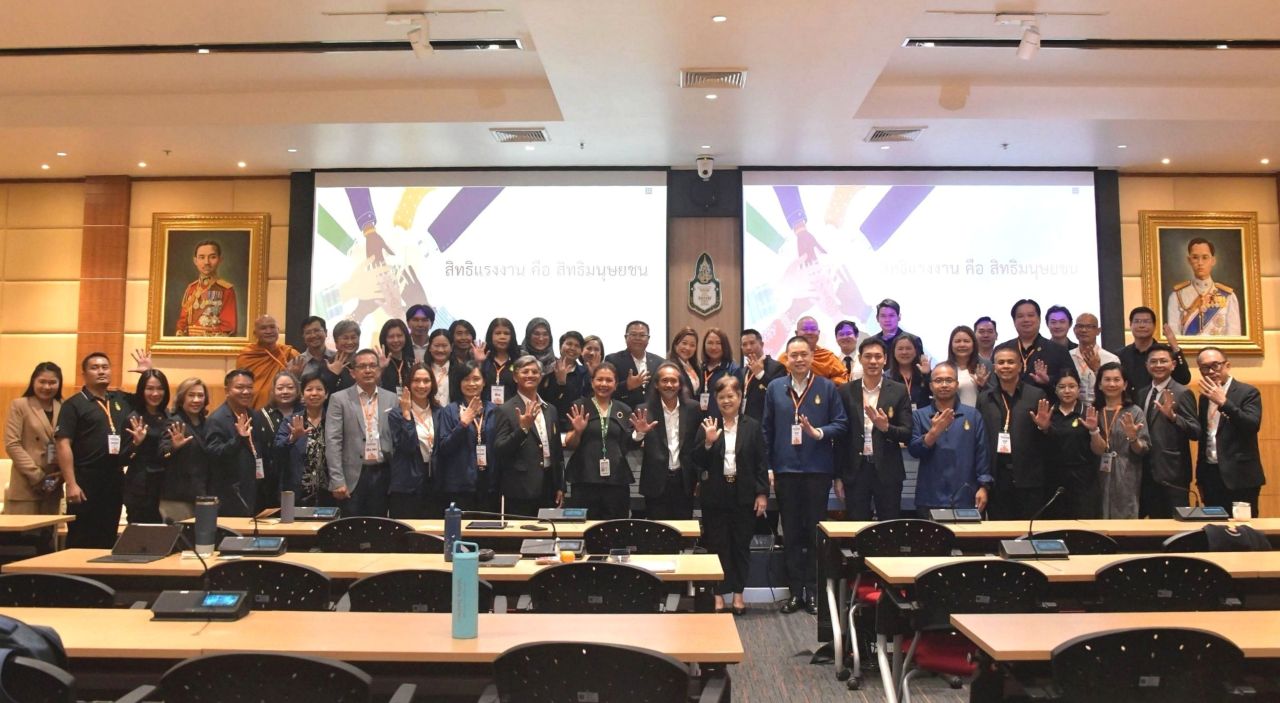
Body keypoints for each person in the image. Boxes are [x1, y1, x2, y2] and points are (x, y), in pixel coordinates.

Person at [763, 336, 847, 615]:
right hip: (785, 471)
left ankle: (813, 591)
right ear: (786, 358)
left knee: (814, 534)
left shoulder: (827, 387)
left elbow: (841, 424)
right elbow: (766, 430)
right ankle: (794, 592)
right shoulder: (775, 388)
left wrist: (818, 432)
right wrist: (769, 466)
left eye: (804, 354)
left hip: (817, 471)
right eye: (794, 355)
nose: (799, 359)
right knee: (791, 534)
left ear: (812, 357)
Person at [692, 376, 769, 615]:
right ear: (716, 399)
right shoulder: (708, 424)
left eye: (731, 396)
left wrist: (762, 494)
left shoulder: (752, 426)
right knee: (717, 545)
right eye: (722, 397)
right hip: (715, 494)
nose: (726, 401)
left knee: (740, 546)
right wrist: (708, 443)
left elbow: (761, 463)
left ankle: (738, 594)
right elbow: (697, 461)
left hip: (744, 494)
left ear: (740, 398)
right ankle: (718, 595)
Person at [55, 353, 133, 547]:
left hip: (114, 478)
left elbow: (151, 397)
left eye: (105, 367)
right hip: (85, 480)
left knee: (108, 536)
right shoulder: (74, 404)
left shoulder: (120, 399)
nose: (101, 371)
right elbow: (63, 444)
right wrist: (71, 483)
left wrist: (146, 371)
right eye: (95, 368)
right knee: (81, 537)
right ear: (84, 374)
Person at [836, 338, 911, 521]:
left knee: (889, 525)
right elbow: (840, 438)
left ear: (885, 359)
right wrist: (837, 477)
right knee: (856, 526)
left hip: (887, 470)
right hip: (855, 470)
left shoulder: (899, 391)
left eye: (878, 357)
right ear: (860, 359)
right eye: (868, 356)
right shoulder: (845, 391)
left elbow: (907, 433)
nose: (873, 361)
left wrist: (886, 428)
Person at [909, 361, 991, 516]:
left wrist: (984, 486)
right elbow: (914, 451)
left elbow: (982, 453)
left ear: (957, 384)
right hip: (930, 496)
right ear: (931, 386)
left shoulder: (972, 415)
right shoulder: (919, 415)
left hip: (966, 495)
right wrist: (933, 433)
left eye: (949, 380)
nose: (944, 385)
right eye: (938, 381)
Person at [977, 347, 1051, 520]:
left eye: (1011, 362)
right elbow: (980, 439)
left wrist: (1044, 427)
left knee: (1028, 529)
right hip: (996, 477)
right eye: (1001, 362)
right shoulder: (985, 398)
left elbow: (1049, 440)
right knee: (1000, 529)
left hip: (1028, 477)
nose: (1006, 366)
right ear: (995, 367)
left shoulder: (1036, 395)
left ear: (1020, 366)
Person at [325, 349, 398, 517]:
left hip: (383, 473)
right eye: (362, 366)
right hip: (352, 475)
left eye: (372, 366)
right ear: (352, 372)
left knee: (379, 524)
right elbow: (333, 441)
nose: (368, 370)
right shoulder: (339, 399)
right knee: (352, 526)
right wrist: (337, 480)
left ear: (379, 370)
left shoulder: (392, 398)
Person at [1194, 347, 1264, 517]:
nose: (1211, 371)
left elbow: (1251, 425)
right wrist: (1200, 477)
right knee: (1214, 526)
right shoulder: (1204, 397)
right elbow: (1205, 438)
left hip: (1240, 476)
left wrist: (1224, 403)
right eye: (1205, 368)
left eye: (1215, 365)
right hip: (1211, 475)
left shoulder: (1248, 392)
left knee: (1243, 527)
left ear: (1227, 365)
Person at [494, 356, 565, 517]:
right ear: (515, 377)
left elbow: (557, 453)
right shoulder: (505, 410)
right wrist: (523, 429)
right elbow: (500, 449)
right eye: (525, 371)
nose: (530, 375)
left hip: (549, 486)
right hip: (520, 489)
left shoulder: (550, 409)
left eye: (535, 372)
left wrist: (560, 486)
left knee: (548, 530)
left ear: (541, 376)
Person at [565, 363, 637, 519]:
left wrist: (641, 433)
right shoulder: (579, 406)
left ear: (616, 385)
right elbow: (570, 444)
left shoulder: (624, 410)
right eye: (599, 379)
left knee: (616, 525)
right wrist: (578, 431)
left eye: (609, 380)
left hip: (616, 480)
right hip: (584, 478)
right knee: (583, 526)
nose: (604, 384)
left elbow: (627, 445)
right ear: (592, 382)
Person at [1136, 344, 1200, 518]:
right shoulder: (1142, 393)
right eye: (1153, 361)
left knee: (1176, 524)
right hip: (1145, 472)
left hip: (1173, 474)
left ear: (1173, 365)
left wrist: (1174, 417)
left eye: (1163, 361)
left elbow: (1195, 431)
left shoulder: (1182, 392)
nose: (1158, 365)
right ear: (1147, 365)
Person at [631, 363, 700, 520]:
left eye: (674, 381)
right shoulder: (644, 410)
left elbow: (698, 445)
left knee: (683, 530)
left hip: (685, 481)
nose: (669, 385)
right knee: (657, 530)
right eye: (664, 380)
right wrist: (640, 433)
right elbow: (630, 444)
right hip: (655, 482)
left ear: (680, 384)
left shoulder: (693, 409)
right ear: (656, 384)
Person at [434, 360, 499, 511]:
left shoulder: (494, 410)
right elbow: (444, 448)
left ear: (484, 382)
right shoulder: (449, 411)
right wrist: (462, 424)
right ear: (459, 383)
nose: (471, 384)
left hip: (489, 485)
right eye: (466, 379)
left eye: (476, 379)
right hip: (459, 484)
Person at [1090, 362, 1150, 519]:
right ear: (1099, 385)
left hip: (1127, 473)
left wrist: (1133, 437)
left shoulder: (1134, 412)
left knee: (1125, 517)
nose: (1112, 384)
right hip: (1098, 474)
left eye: (1117, 379)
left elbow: (1143, 450)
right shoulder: (1094, 412)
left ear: (1125, 385)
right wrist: (1094, 430)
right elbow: (1097, 450)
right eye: (1107, 379)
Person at [4, 362, 64, 516]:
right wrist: (37, 476)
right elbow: (12, 444)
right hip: (26, 484)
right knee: (24, 531)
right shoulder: (20, 405)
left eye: (52, 382)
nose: (47, 387)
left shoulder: (64, 406)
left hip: (53, 483)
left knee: (49, 530)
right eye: (42, 381)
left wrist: (62, 475)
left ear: (59, 384)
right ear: (33, 381)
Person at [387, 363, 440, 519]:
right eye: (416, 381)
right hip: (407, 483)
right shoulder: (397, 414)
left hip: (434, 482)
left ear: (432, 384)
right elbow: (407, 446)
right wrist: (407, 415)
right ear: (408, 384)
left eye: (426, 381)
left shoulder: (439, 412)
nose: (421, 385)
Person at [1043, 370, 1098, 518]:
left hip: (1083, 478)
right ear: (1055, 389)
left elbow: (1100, 449)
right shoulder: (1048, 413)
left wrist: (1094, 430)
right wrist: (1043, 428)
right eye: (1062, 387)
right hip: (1053, 477)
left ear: (1079, 389)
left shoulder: (1088, 412)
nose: (1067, 391)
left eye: (1072, 386)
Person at [205, 369, 259, 517]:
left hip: (252, 488)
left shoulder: (254, 415)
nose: (246, 392)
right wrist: (238, 439)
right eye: (240, 387)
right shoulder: (217, 419)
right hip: (229, 493)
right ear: (227, 391)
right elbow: (214, 453)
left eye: (249, 387)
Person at [158, 378, 212, 522]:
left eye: (200, 395)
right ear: (182, 398)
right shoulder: (174, 422)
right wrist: (174, 447)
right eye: (191, 395)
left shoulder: (207, 424)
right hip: (176, 499)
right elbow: (162, 453)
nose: (196, 400)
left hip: (201, 496)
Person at [995, 299, 1073, 395]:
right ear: (1014, 321)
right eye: (1020, 316)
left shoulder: (1058, 350)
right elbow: (993, 382)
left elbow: (1073, 381)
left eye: (1031, 315)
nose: (1026, 320)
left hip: (1046, 402)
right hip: (1006, 403)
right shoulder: (1002, 349)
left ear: (1039, 319)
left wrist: (1048, 380)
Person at [121, 369, 170, 524]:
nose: (155, 393)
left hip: (164, 487)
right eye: (149, 388)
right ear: (141, 391)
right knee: (141, 534)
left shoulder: (168, 415)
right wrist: (136, 443)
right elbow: (123, 458)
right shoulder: (133, 418)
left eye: (160, 388)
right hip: (140, 488)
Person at [1167, 237, 1242, 336]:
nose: (1200, 263)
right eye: (1195, 257)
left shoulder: (1229, 297)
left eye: (1205, 257)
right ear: (1189, 260)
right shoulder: (1177, 296)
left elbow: (1234, 337)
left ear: (1213, 261)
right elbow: (1174, 336)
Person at [276, 372, 330, 508]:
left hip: (328, 491)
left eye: (319, 389)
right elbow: (277, 449)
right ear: (302, 394)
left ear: (326, 394)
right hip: (298, 491)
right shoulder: (291, 420)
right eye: (309, 389)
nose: (314, 393)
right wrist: (292, 438)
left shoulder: (334, 420)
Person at [252, 370, 299, 511]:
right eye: (280, 388)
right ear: (273, 391)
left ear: (297, 390)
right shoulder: (260, 415)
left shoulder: (305, 412)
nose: (285, 391)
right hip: (270, 478)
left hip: (300, 476)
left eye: (290, 387)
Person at [1118, 306, 1191, 391]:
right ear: (1130, 325)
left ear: (1154, 326)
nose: (1141, 325)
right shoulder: (1120, 355)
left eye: (1146, 321)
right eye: (1137, 321)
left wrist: (1174, 346)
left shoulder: (1166, 353)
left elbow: (1184, 379)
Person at [174, 239, 237, 336]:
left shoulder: (226, 289)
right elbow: (183, 322)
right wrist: (180, 332)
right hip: (189, 342)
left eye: (212, 257)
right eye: (202, 257)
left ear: (220, 260)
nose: (206, 262)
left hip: (213, 342)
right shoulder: (191, 288)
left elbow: (228, 327)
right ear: (195, 261)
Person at [235, 315, 299, 409]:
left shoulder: (290, 354)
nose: (269, 331)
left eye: (272, 327)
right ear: (255, 333)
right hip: (254, 410)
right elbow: (241, 386)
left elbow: (301, 385)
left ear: (278, 330)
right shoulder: (247, 356)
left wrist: (294, 375)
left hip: (284, 409)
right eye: (263, 328)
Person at [604, 321, 663, 410]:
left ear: (648, 338)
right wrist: (627, 385)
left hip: (653, 412)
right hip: (623, 412)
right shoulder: (613, 360)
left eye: (642, 335)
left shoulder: (659, 362)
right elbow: (606, 389)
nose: (638, 338)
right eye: (633, 334)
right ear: (625, 337)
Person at [1067, 312, 1118, 407]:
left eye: (1089, 326)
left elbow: (1115, 388)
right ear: (1074, 330)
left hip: (1101, 407)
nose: (1084, 330)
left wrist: (1097, 369)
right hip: (1073, 409)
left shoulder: (1111, 359)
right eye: (1080, 326)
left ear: (1098, 331)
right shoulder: (1068, 356)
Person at [738, 328, 787, 422]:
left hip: (765, 423)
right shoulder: (742, 371)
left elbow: (778, 394)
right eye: (744, 344)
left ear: (762, 344)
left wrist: (760, 374)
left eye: (752, 343)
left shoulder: (777, 367)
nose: (748, 347)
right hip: (745, 423)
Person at [542, 330, 589, 429]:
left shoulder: (584, 373)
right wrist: (560, 384)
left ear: (581, 351)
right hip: (549, 423)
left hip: (574, 425)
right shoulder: (547, 369)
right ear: (560, 347)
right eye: (569, 344)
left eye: (577, 346)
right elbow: (544, 399)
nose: (572, 348)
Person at [785, 316, 848, 385]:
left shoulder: (827, 356)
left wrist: (823, 385)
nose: (809, 332)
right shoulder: (785, 358)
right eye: (805, 329)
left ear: (818, 333)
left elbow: (842, 377)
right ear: (796, 333)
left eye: (813, 329)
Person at [947, 325, 991, 407]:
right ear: (951, 345)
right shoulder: (944, 368)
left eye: (966, 341)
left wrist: (983, 386)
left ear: (974, 344)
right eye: (957, 341)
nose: (962, 345)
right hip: (953, 413)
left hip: (981, 413)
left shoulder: (985, 365)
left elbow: (996, 395)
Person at [699, 328, 738, 418]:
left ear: (725, 346)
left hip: (723, 421)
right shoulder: (700, 368)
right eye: (710, 343)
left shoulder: (732, 369)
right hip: (699, 420)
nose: (714, 347)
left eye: (718, 343)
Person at [480, 318, 520, 406]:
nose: (502, 337)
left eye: (506, 333)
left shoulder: (518, 360)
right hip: (485, 409)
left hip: (512, 409)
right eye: (498, 333)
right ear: (490, 336)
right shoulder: (483, 359)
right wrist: (479, 363)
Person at [887, 334, 932, 411]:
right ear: (893, 352)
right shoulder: (887, 377)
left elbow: (936, 394)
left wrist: (927, 375)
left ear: (915, 351)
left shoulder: (924, 373)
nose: (904, 352)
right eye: (900, 349)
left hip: (923, 417)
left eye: (908, 348)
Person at [321, 319, 362, 395]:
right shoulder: (327, 364)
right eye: (345, 338)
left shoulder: (364, 362)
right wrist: (333, 375)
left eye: (353, 337)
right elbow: (322, 394)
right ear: (336, 342)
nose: (350, 342)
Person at [376, 318, 415, 395]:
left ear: (406, 337)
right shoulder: (377, 362)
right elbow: (370, 388)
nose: (396, 340)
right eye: (391, 337)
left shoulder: (412, 362)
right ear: (384, 339)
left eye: (399, 336)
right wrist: (380, 369)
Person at [667, 327, 703, 403]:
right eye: (684, 343)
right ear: (676, 344)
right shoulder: (670, 367)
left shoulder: (695, 366)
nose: (688, 348)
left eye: (692, 345)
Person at [425, 329, 453, 408]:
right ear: (429, 347)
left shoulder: (458, 371)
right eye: (436, 345)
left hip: (452, 414)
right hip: (427, 413)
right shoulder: (422, 370)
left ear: (451, 347)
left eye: (444, 346)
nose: (440, 350)